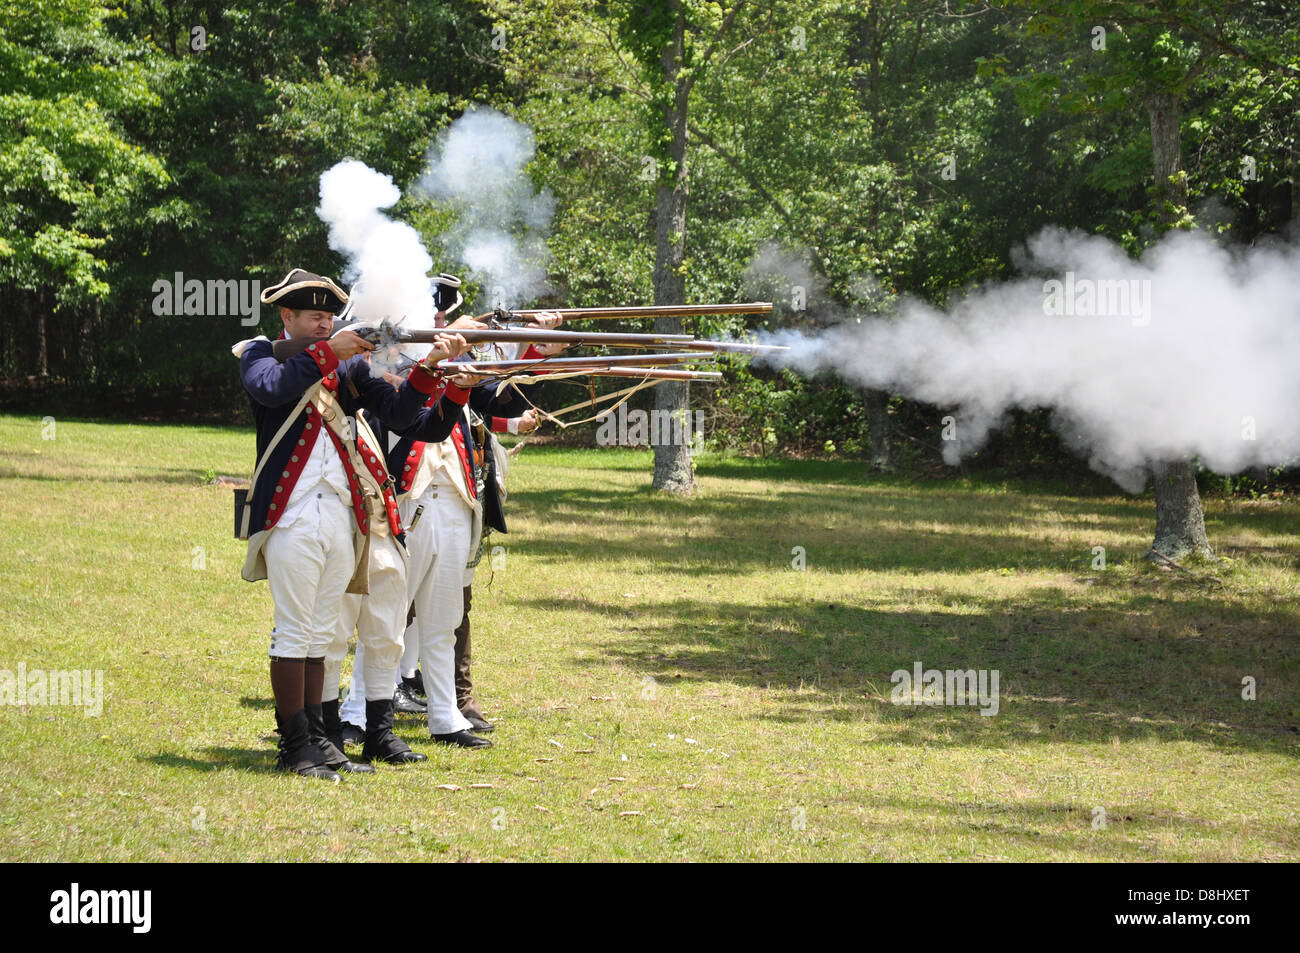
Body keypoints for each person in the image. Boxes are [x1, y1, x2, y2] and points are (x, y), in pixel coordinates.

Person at [235, 267, 472, 780]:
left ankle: (322, 742)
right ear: (287, 316)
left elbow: (407, 416)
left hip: (343, 517)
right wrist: (332, 351)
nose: (323, 324)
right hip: (291, 515)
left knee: (323, 636)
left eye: (327, 316)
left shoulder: (349, 370)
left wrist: (434, 369)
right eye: (313, 316)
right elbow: (271, 389)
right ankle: (294, 745)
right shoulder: (259, 352)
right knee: (297, 633)